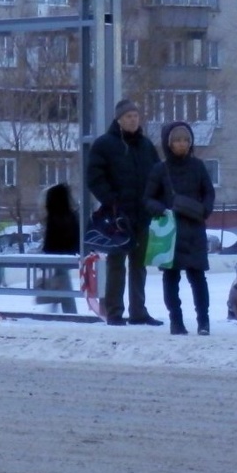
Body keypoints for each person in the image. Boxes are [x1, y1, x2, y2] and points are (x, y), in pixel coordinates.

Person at [86, 98, 163, 327]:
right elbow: (94, 178)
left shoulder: (146, 146)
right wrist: (111, 201)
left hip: (142, 214)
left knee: (139, 266)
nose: (133, 119)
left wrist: (157, 201)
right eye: (129, 116)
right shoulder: (104, 145)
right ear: (119, 120)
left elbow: (158, 175)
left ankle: (138, 312)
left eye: (136, 116)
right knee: (116, 264)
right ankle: (114, 313)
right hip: (117, 216)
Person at [146, 120, 216, 335]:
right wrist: (161, 209)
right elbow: (147, 198)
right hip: (171, 232)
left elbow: (209, 192)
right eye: (177, 140)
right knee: (171, 278)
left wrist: (204, 210)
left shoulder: (198, 166)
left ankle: (203, 322)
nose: (182, 144)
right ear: (169, 143)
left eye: (186, 139)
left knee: (198, 278)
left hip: (194, 230)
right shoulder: (160, 169)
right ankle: (176, 321)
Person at [37, 182, 79, 315]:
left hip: (56, 256)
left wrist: (44, 256)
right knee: (61, 281)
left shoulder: (53, 218)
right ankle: (64, 310)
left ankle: (69, 311)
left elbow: (50, 241)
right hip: (68, 255)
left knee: (62, 282)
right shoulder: (71, 216)